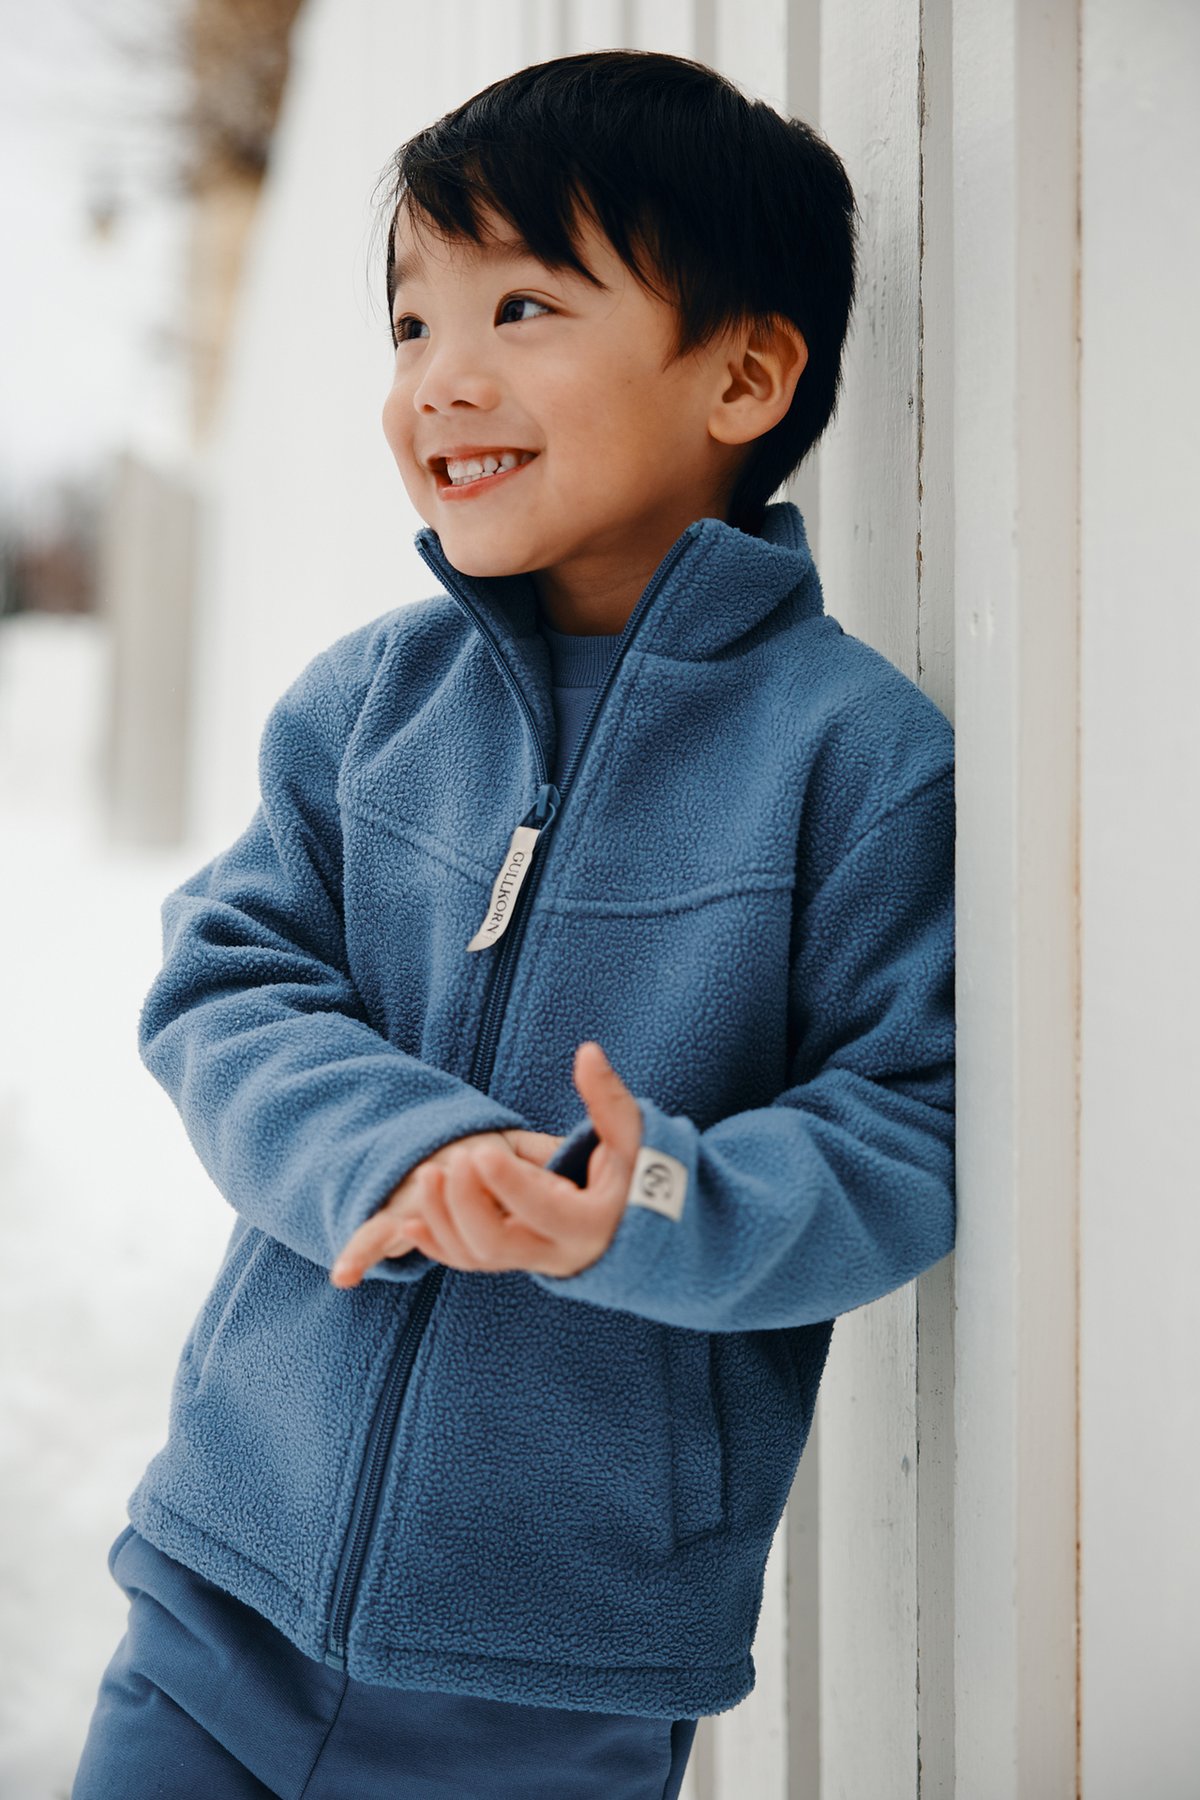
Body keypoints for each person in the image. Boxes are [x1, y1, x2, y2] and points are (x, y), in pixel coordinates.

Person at [73, 46, 955, 1800]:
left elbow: (913, 1130)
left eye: (524, 305)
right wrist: (399, 1148)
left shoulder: (853, 761)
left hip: (556, 1667)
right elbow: (223, 982)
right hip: (223, 1582)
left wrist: (636, 1200)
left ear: (745, 374)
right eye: (411, 327)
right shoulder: (366, 707)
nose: (439, 381)